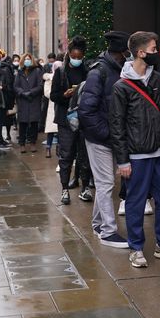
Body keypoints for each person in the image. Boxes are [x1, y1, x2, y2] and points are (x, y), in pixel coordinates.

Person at [110, 31, 160, 265]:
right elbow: (117, 126)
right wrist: (122, 161)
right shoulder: (121, 87)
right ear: (141, 52)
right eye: (154, 49)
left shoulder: (158, 80)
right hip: (136, 157)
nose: (157, 53)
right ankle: (136, 248)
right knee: (135, 202)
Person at [79, 31, 131, 248]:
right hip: (99, 138)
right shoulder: (99, 72)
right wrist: (106, 134)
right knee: (106, 183)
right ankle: (108, 231)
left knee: (104, 182)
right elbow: (86, 110)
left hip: (107, 137)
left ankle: (99, 223)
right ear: (121, 51)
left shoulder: (115, 70)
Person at [51, 36, 91, 204]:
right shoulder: (60, 72)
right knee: (66, 155)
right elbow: (53, 96)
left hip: (83, 119)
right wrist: (65, 95)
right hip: (66, 120)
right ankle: (64, 189)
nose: (76, 59)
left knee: (84, 155)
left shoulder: (88, 71)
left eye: (79, 57)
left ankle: (85, 187)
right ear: (68, 54)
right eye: (73, 56)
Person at [14, 53, 44, 153]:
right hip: (23, 100)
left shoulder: (37, 71)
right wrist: (22, 93)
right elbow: (16, 86)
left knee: (34, 123)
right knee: (22, 123)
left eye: (29, 59)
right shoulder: (20, 72)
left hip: (34, 100)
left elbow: (40, 86)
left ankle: (32, 143)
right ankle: (22, 144)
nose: (27, 61)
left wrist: (31, 92)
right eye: (25, 59)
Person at [43, 61, 61, 159]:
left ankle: (59, 148)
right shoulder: (49, 78)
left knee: (60, 129)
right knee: (51, 129)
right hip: (53, 104)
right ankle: (48, 148)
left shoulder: (64, 75)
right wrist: (56, 95)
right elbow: (47, 92)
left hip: (62, 104)